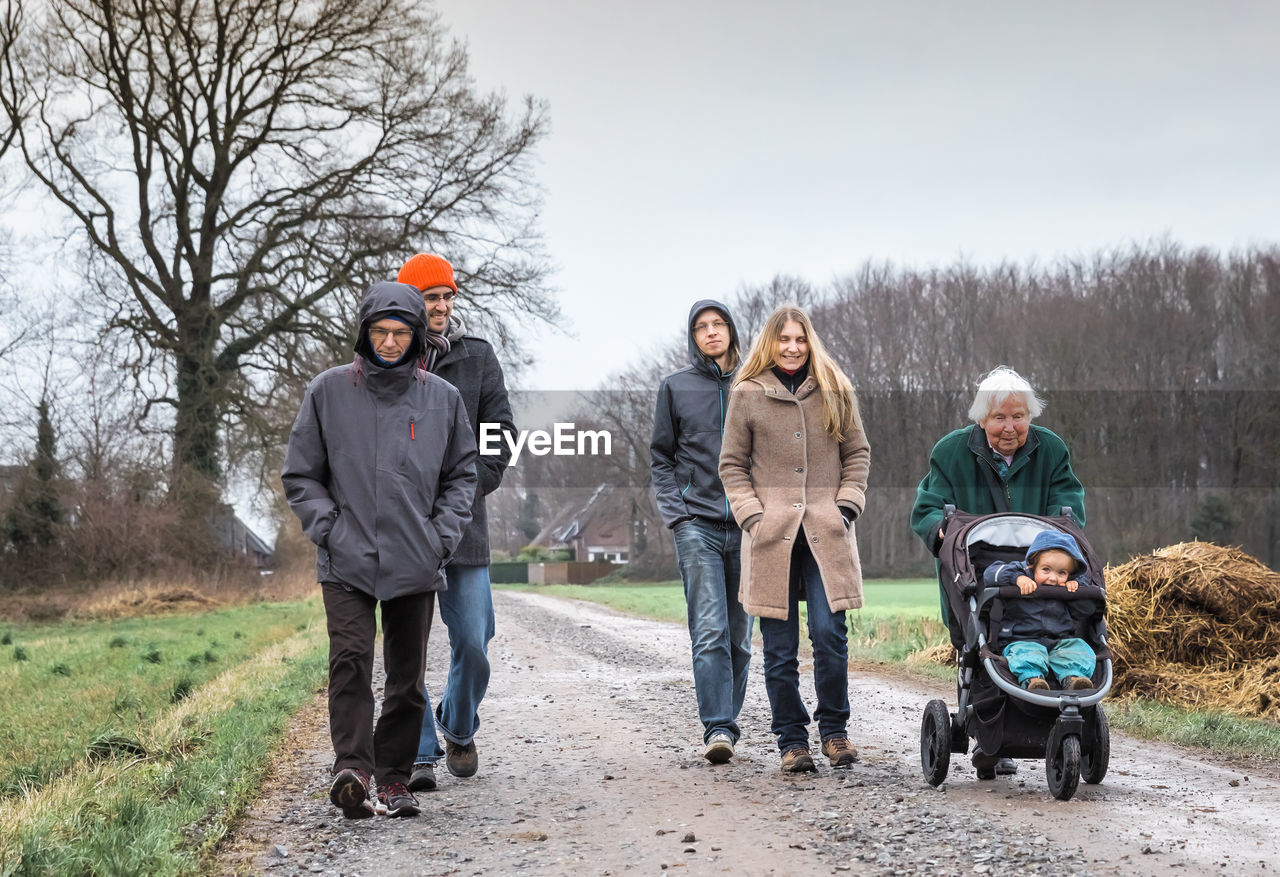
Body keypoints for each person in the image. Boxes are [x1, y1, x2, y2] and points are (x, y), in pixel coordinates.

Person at [283, 281, 477, 818]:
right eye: (380, 331)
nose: (390, 342)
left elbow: (463, 475)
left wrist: (441, 536)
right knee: (349, 660)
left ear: (417, 337)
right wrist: (329, 529)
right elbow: (301, 474)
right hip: (344, 559)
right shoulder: (327, 391)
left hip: (416, 557)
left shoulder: (442, 399)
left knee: (406, 676)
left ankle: (393, 779)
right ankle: (352, 767)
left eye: (400, 333)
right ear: (364, 333)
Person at [910, 364, 1086, 776]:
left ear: (1031, 416)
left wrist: (1064, 538)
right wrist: (943, 535)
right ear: (981, 418)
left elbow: (1069, 504)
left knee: (1053, 635)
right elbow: (927, 508)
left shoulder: (1052, 450)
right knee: (981, 643)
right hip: (976, 571)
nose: (1010, 427)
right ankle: (991, 737)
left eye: (1019, 416)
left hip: (1042, 574)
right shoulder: (951, 451)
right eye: (999, 417)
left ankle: (1053, 720)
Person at [719, 305, 870, 773]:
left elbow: (857, 453)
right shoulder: (746, 394)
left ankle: (835, 732)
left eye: (800, 340)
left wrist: (846, 505)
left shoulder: (836, 389)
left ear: (810, 343)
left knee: (829, 635)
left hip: (827, 531)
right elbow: (732, 466)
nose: (792, 348)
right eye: (783, 339)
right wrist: (752, 516)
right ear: (770, 342)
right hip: (771, 537)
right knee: (779, 648)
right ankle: (791, 741)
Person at [396, 252, 516, 790]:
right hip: (404, 530)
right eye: (430, 297)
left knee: (473, 639)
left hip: (465, 526)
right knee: (410, 647)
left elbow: (502, 435)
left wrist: (468, 491)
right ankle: (420, 752)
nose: (441, 306)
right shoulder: (388, 358)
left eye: (447, 296)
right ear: (409, 303)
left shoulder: (478, 356)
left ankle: (458, 723)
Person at [650, 299, 753, 764]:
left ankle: (726, 720)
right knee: (709, 630)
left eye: (718, 324)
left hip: (751, 526)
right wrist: (678, 513)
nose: (711, 332)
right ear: (692, 337)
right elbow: (661, 458)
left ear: (732, 330)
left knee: (739, 637)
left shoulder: (756, 384)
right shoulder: (674, 387)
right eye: (700, 327)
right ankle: (718, 728)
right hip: (698, 525)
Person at [983, 530, 1098, 691]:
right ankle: (1033, 679)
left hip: (1059, 641)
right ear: (1032, 565)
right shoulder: (1021, 572)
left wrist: (1077, 593)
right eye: (1046, 569)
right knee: (1027, 655)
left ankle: (1073, 678)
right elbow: (990, 574)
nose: (1052, 577)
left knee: (1078, 648)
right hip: (1022, 639)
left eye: (1062, 572)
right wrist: (1016, 578)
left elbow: (1086, 611)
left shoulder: (1072, 585)